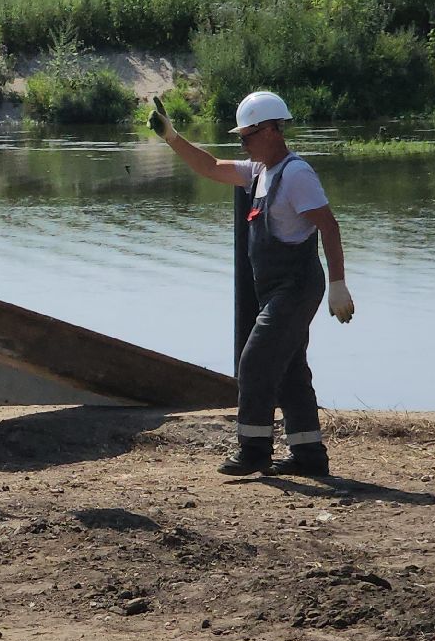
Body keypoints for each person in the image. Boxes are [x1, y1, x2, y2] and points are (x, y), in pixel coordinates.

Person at [149, 90, 355, 477]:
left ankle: (254, 450)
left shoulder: (296, 175)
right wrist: (173, 138)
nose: (242, 143)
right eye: (240, 137)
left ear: (273, 130)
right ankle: (309, 454)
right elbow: (209, 166)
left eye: (247, 136)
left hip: (296, 286)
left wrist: (338, 284)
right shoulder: (258, 172)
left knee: (255, 362)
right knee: (290, 368)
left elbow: (329, 226)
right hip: (275, 290)